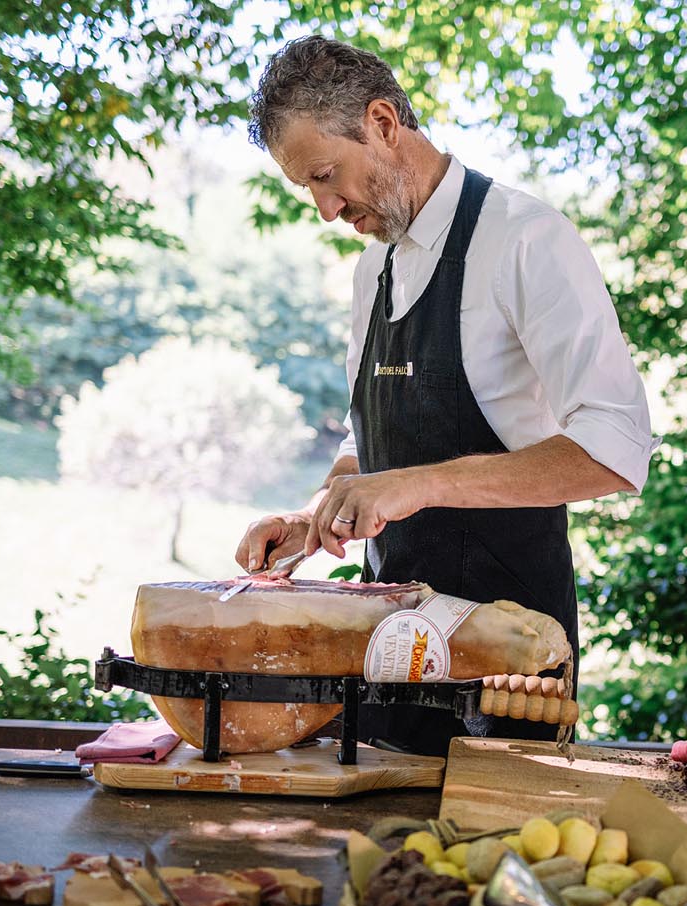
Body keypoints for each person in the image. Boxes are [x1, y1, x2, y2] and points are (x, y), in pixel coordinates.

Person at [234, 35, 654, 755]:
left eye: (327, 175)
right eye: (308, 187)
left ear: (384, 124)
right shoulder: (374, 272)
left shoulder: (527, 240)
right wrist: (317, 516)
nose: (326, 209)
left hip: (508, 666)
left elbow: (617, 448)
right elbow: (367, 442)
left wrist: (419, 486)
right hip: (388, 654)